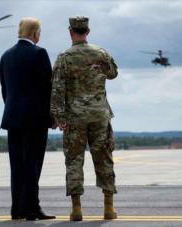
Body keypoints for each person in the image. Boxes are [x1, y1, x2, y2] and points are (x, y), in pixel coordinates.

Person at [51, 16, 118, 221]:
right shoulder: (101, 53)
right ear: (87, 31)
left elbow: (57, 89)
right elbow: (113, 73)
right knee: (104, 158)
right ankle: (108, 207)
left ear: (71, 31)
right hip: (99, 115)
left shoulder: (64, 57)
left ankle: (77, 209)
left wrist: (59, 116)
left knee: (74, 160)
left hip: (74, 117)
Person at [0, 17, 55, 221]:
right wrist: (52, 116)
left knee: (17, 165)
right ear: (35, 33)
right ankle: (32, 209)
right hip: (35, 119)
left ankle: (17, 209)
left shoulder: (6, 55)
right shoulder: (39, 53)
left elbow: (5, 90)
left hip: (12, 117)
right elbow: (47, 88)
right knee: (32, 163)